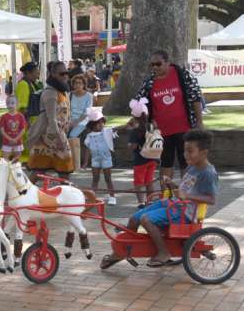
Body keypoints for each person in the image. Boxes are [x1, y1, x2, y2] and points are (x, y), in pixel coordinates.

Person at [101, 130, 218, 269]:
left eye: (190, 151)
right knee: (134, 218)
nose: (185, 154)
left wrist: (186, 196)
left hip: (185, 213)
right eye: (185, 150)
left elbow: (211, 199)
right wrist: (172, 184)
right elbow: (186, 188)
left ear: (204, 152)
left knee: (146, 219)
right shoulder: (192, 166)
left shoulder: (208, 173)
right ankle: (122, 251)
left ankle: (164, 252)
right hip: (174, 205)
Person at [133, 50, 204, 181]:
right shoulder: (149, 82)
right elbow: (138, 102)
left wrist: (199, 121)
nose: (155, 67)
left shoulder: (182, 74)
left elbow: (196, 97)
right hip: (162, 131)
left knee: (186, 163)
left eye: (158, 64)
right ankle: (166, 196)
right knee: (166, 163)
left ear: (167, 62)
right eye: (152, 65)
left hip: (185, 128)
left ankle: (186, 195)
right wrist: (145, 121)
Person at [27, 61, 74, 180]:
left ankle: (66, 195)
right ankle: (24, 194)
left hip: (57, 135)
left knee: (56, 170)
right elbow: (51, 118)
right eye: (62, 74)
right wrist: (59, 139)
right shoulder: (50, 93)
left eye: (66, 73)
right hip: (49, 137)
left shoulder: (61, 91)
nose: (65, 76)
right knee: (41, 170)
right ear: (53, 74)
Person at [84, 109, 117, 205]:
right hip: (95, 159)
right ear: (92, 125)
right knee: (95, 178)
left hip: (106, 158)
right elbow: (87, 149)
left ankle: (112, 197)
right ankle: (92, 196)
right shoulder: (89, 136)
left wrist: (127, 126)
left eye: (102, 122)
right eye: (98, 123)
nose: (101, 124)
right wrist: (86, 162)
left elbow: (116, 129)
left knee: (108, 178)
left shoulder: (106, 132)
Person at [128, 98, 157, 208]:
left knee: (139, 183)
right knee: (149, 181)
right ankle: (150, 201)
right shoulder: (151, 126)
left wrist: (129, 145)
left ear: (134, 116)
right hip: (152, 158)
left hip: (140, 160)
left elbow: (133, 146)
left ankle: (141, 202)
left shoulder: (135, 131)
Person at [68, 74, 93, 170]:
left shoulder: (89, 96)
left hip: (83, 121)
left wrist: (76, 122)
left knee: (72, 136)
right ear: (73, 85)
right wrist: (69, 121)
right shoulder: (69, 95)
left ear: (84, 84)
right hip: (69, 120)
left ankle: (81, 163)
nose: (78, 85)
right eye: (76, 83)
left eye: (80, 83)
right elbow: (66, 109)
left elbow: (87, 112)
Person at [0, 96, 26, 161]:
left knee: (16, 160)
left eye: (12, 103)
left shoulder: (21, 116)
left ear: (17, 104)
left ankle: (15, 171)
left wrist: (15, 139)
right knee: (5, 160)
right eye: (8, 103)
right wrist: (10, 139)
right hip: (6, 143)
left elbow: (23, 130)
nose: (10, 105)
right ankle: (6, 170)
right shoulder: (3, 117)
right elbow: (2, 130)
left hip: (18, 142)